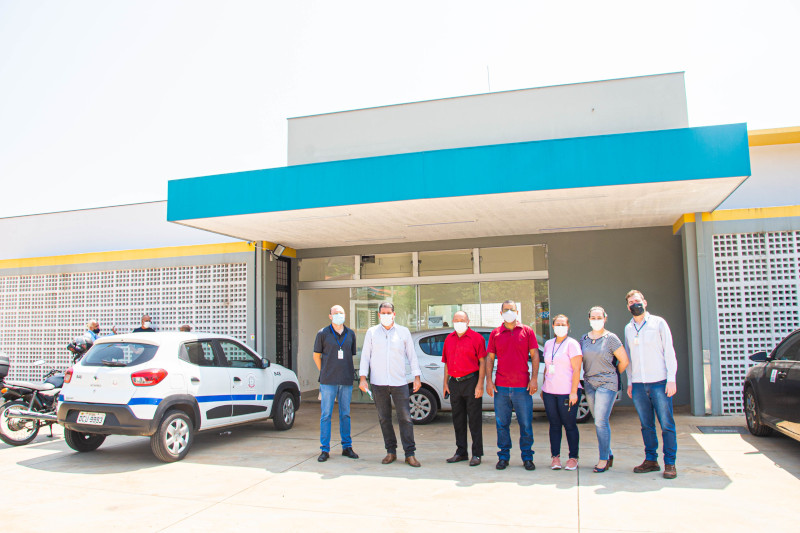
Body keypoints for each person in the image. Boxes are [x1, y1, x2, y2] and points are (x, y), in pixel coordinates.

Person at [623, 289, 679, 479]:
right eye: (631, 302)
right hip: (638, 384)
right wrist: (630, 382)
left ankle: (670, 463)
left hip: (660, 382)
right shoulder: (628, 328)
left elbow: (669, 351)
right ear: (627, 306)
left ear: (644, 302)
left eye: (637, 300)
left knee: (666, 424)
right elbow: (629, 357)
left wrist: (671, 379)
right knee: (646, 425)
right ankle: (651, 460)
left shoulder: (659, 323)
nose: (634, 304)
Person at [359, 302, 422, 467]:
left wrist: (417, 377)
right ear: (379, 315)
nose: (386, 315)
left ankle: (410, 454)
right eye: (383, 313)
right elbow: (365, 356)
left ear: (394, 314)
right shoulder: (372, 333)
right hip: (378, 382)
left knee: (405, 418)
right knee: (384, 418)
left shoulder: (403, 332)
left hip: (399, 382)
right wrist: (363, 377)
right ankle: (391, 451)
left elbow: (412, 356)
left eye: (389, 312)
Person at [485, 300, 539, 471]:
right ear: (501, 313)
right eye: (506, 310)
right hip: (501, 387)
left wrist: (534, 379)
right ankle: (503, 456)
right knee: (502, 424)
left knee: (526, 424)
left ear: (517, 312)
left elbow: (535, 355)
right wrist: (488, 380)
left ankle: (527, 457)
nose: (509, 312)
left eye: (512, 309)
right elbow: (490, 358)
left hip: (522, 387)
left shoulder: (527, 331)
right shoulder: (495, 333)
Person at [579, 306, 629, 473]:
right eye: (593, 317)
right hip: (589, 383)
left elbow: (624, 361)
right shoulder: (584, 339)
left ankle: (603, 459)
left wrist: (612, 375)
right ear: (589, 319)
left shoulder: (611, 338)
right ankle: (608, 453)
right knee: (598, 421)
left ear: (605, 318)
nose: (596, 320)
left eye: (599, 317)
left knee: (601, 421)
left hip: (606, 384)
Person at [313, 305, 359, 462]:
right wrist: (324, 371)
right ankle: (324, 449)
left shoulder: (350, 334)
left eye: (341, 313)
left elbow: (350, 355)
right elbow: (316, 355)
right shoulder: (323, 333)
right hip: (328, 381)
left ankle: (347, 446)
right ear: (330, 316)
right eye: (336, 313)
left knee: (345, 414)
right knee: (326, 415)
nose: (339, 315)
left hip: (346, 380)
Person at [442, 311, 487, 466]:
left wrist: (480, 384)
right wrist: (445, 383)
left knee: (474, 419)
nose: (459, 322)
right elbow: (447, 363)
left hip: (471, 381)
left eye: (462, 320)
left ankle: (477, 454)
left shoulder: (477, 338)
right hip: (455, 382)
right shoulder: (449, 339)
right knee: (458, 420)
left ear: (468, 321)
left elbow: (483, 362)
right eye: (456, 320)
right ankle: (461, 452)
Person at [540, 314, 583, 471]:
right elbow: (547, 366)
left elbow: (577, 369)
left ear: (568, 326)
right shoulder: (548, 344)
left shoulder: (572, 344)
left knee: (570, 425)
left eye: (563, 324)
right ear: (553, 326)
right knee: (554, 425)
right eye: (557, 324)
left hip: (566, 392)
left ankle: (573, 458)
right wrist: (544, 386)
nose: (560, 326)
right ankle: (555, 457)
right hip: (550, 392)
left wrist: (573, 392)